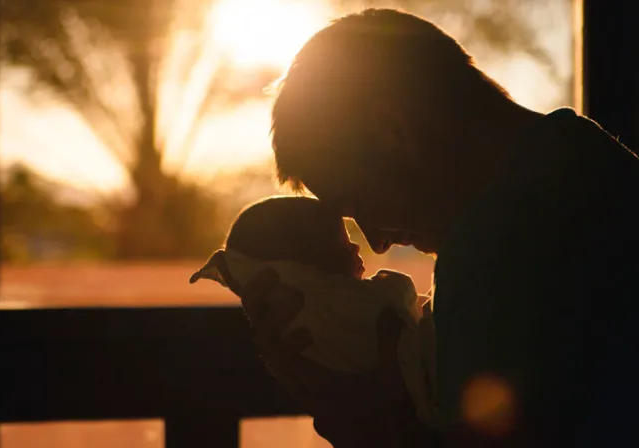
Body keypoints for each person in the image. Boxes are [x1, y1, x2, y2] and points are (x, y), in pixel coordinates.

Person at [238, 8, 639, 448]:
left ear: (393, 132)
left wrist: (373, 429)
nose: (376, 240)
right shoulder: (592, 161)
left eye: (358, 204)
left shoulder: (493, 250)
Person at [189, 196, 438, 428]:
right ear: (301, 269)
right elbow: (397, 299)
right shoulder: (333, 309)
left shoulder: (294, 328)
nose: (357, 247)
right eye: (340, 244)